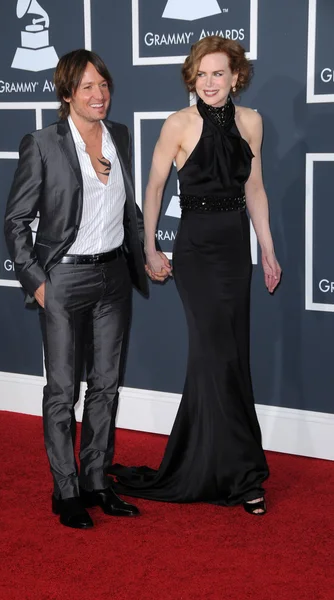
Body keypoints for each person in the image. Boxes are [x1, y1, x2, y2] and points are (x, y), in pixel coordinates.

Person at [108, 36, 282, 516]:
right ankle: (238, 475)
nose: (209, 82)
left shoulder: (251, 123)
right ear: (192, 77)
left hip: (234, 250)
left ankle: (232, 467)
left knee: (233, 356)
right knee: (214, 355)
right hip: (197, 252)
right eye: (201, 74)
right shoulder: (178, 124)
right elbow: (156, 186)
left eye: (219, 73)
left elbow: (256, 189)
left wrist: (267, 250)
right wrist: (149, 244)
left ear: (236, 77)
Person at [4, 49, 169, 529]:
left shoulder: (119, 136)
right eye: (88, 87)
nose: (99, 95)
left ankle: (96, 480)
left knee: (106, 384)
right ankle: (66, 489)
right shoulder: (43, 143)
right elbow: (16, 221)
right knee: (62, 390)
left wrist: (147, 254)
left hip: (114, 276)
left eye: (104, 85)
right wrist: (37, 282)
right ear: (67, 93)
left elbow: (127, 210)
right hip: (64, 279)